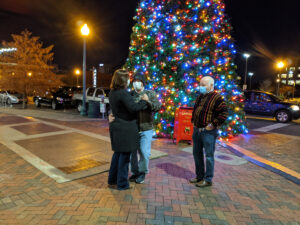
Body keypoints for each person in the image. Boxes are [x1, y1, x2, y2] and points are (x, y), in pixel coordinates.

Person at [108, 69, 149, 190]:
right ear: (122, 80)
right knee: (125, 157)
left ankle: (112, 180)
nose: (129, 80)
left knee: (117, 154)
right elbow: (133, 108)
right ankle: (122, 183)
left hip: (116, 126)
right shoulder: (123, 93)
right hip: (125, 128)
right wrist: (144, 101)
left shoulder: (112, 92)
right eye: (127, 78)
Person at [190, 76, 228, 187]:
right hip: (197, 130)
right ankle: (199, 176)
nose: (200, 87)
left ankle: (208, 179)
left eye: (203, 85)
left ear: (211, 85)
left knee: (209, 156)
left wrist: (213, 125)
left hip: (208, 132)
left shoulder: (217, 98)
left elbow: (224, 114)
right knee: (197, 154)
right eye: (200, 84)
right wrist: (193, 121)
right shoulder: (200, 97)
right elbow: (195, 110)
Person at [129, 73, 161, 184]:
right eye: (134, 81)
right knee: (132, 153)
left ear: (143, 83)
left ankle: (142, 173)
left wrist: (148, 101)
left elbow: (157, 107)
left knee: (144, 152)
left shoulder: (150, 93)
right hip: (133, 128)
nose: (136, 83)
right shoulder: (130, 94)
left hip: (146, 127)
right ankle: (135, 172)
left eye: (139, 81)